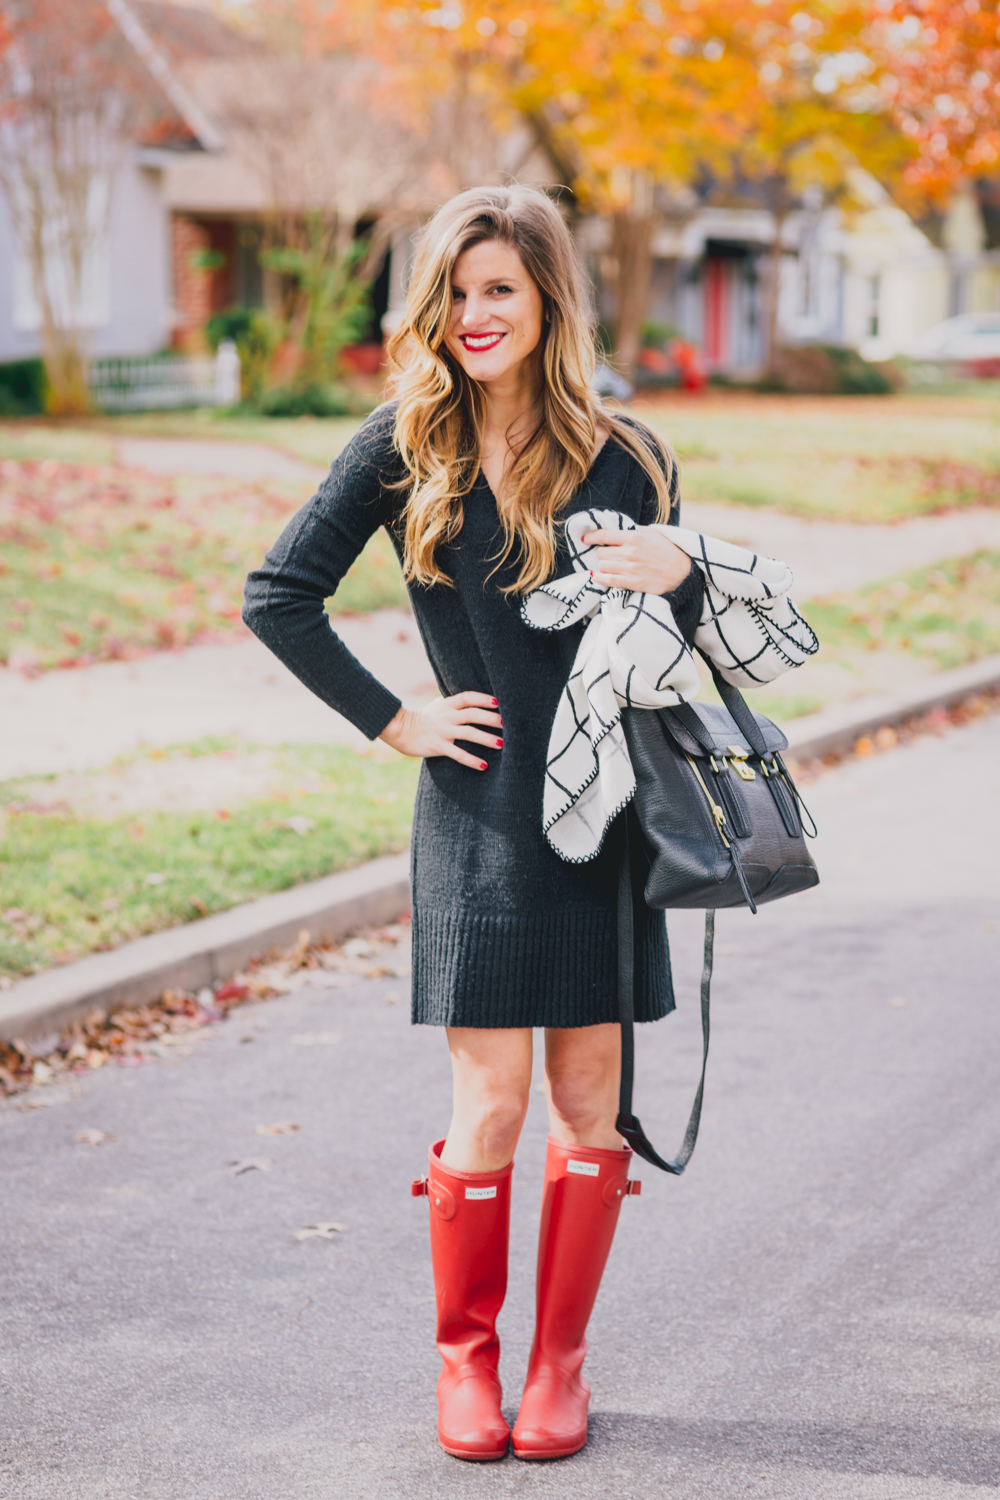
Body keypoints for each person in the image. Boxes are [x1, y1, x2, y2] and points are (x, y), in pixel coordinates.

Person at [242, 184, 706, 1462]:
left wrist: (687, 575)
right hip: (478, 820)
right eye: (453, 289)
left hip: (603, 817)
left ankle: (559, 1369)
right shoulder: (404, 444)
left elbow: (668, 650)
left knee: (591, 1099)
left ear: (548, 295)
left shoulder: (629, 454)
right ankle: (469, 1363)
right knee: (490, 1102)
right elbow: (277, 594)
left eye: (498, 287)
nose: (472, 313)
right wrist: (397, 720)